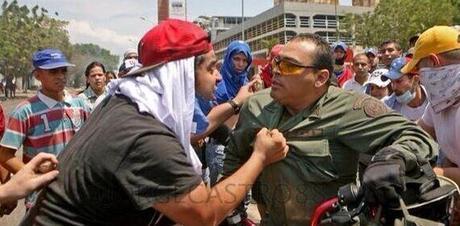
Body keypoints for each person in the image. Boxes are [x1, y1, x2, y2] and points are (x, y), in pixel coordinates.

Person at [21, 19, 288, 226]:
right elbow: (205, 216)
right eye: (211, 68)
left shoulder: (124, 105)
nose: (217, 78)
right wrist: (260, 157)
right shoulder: (144, 133)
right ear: (181, 72)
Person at [223, 33, 439, 225]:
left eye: (289, 66)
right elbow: (235, 156)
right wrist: (230, 211)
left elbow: (415, 135)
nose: (276, 71)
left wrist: (393, 158)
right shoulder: (256, 106)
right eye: (276, 63)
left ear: (320, 78)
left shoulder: (350, 108)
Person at [0, 48, 90, 209]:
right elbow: (4, 155)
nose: (61, 76)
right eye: (53, 71)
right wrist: (35, 176)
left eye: (63, 70)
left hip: (79, 196)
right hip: (42, 201)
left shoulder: (79, 104)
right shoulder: (25, 111)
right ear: (37, 75)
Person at [400, 26, 460, 185]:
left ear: (434, 62)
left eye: (419, 68)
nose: (418, 75)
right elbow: (419, 131)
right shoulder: (442, 100)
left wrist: (436, 173)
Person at [383, 57, 428, 121]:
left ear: (415, 80)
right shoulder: (387, 106)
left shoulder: (436, 101)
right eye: (391, 82)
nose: (394, 87)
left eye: (398, 81)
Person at [215, 40, 253, 105]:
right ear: (228, 59)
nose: (241, 64)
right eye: (236, 59)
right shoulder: (217, 83)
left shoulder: (246, 82)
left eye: (245, 60)